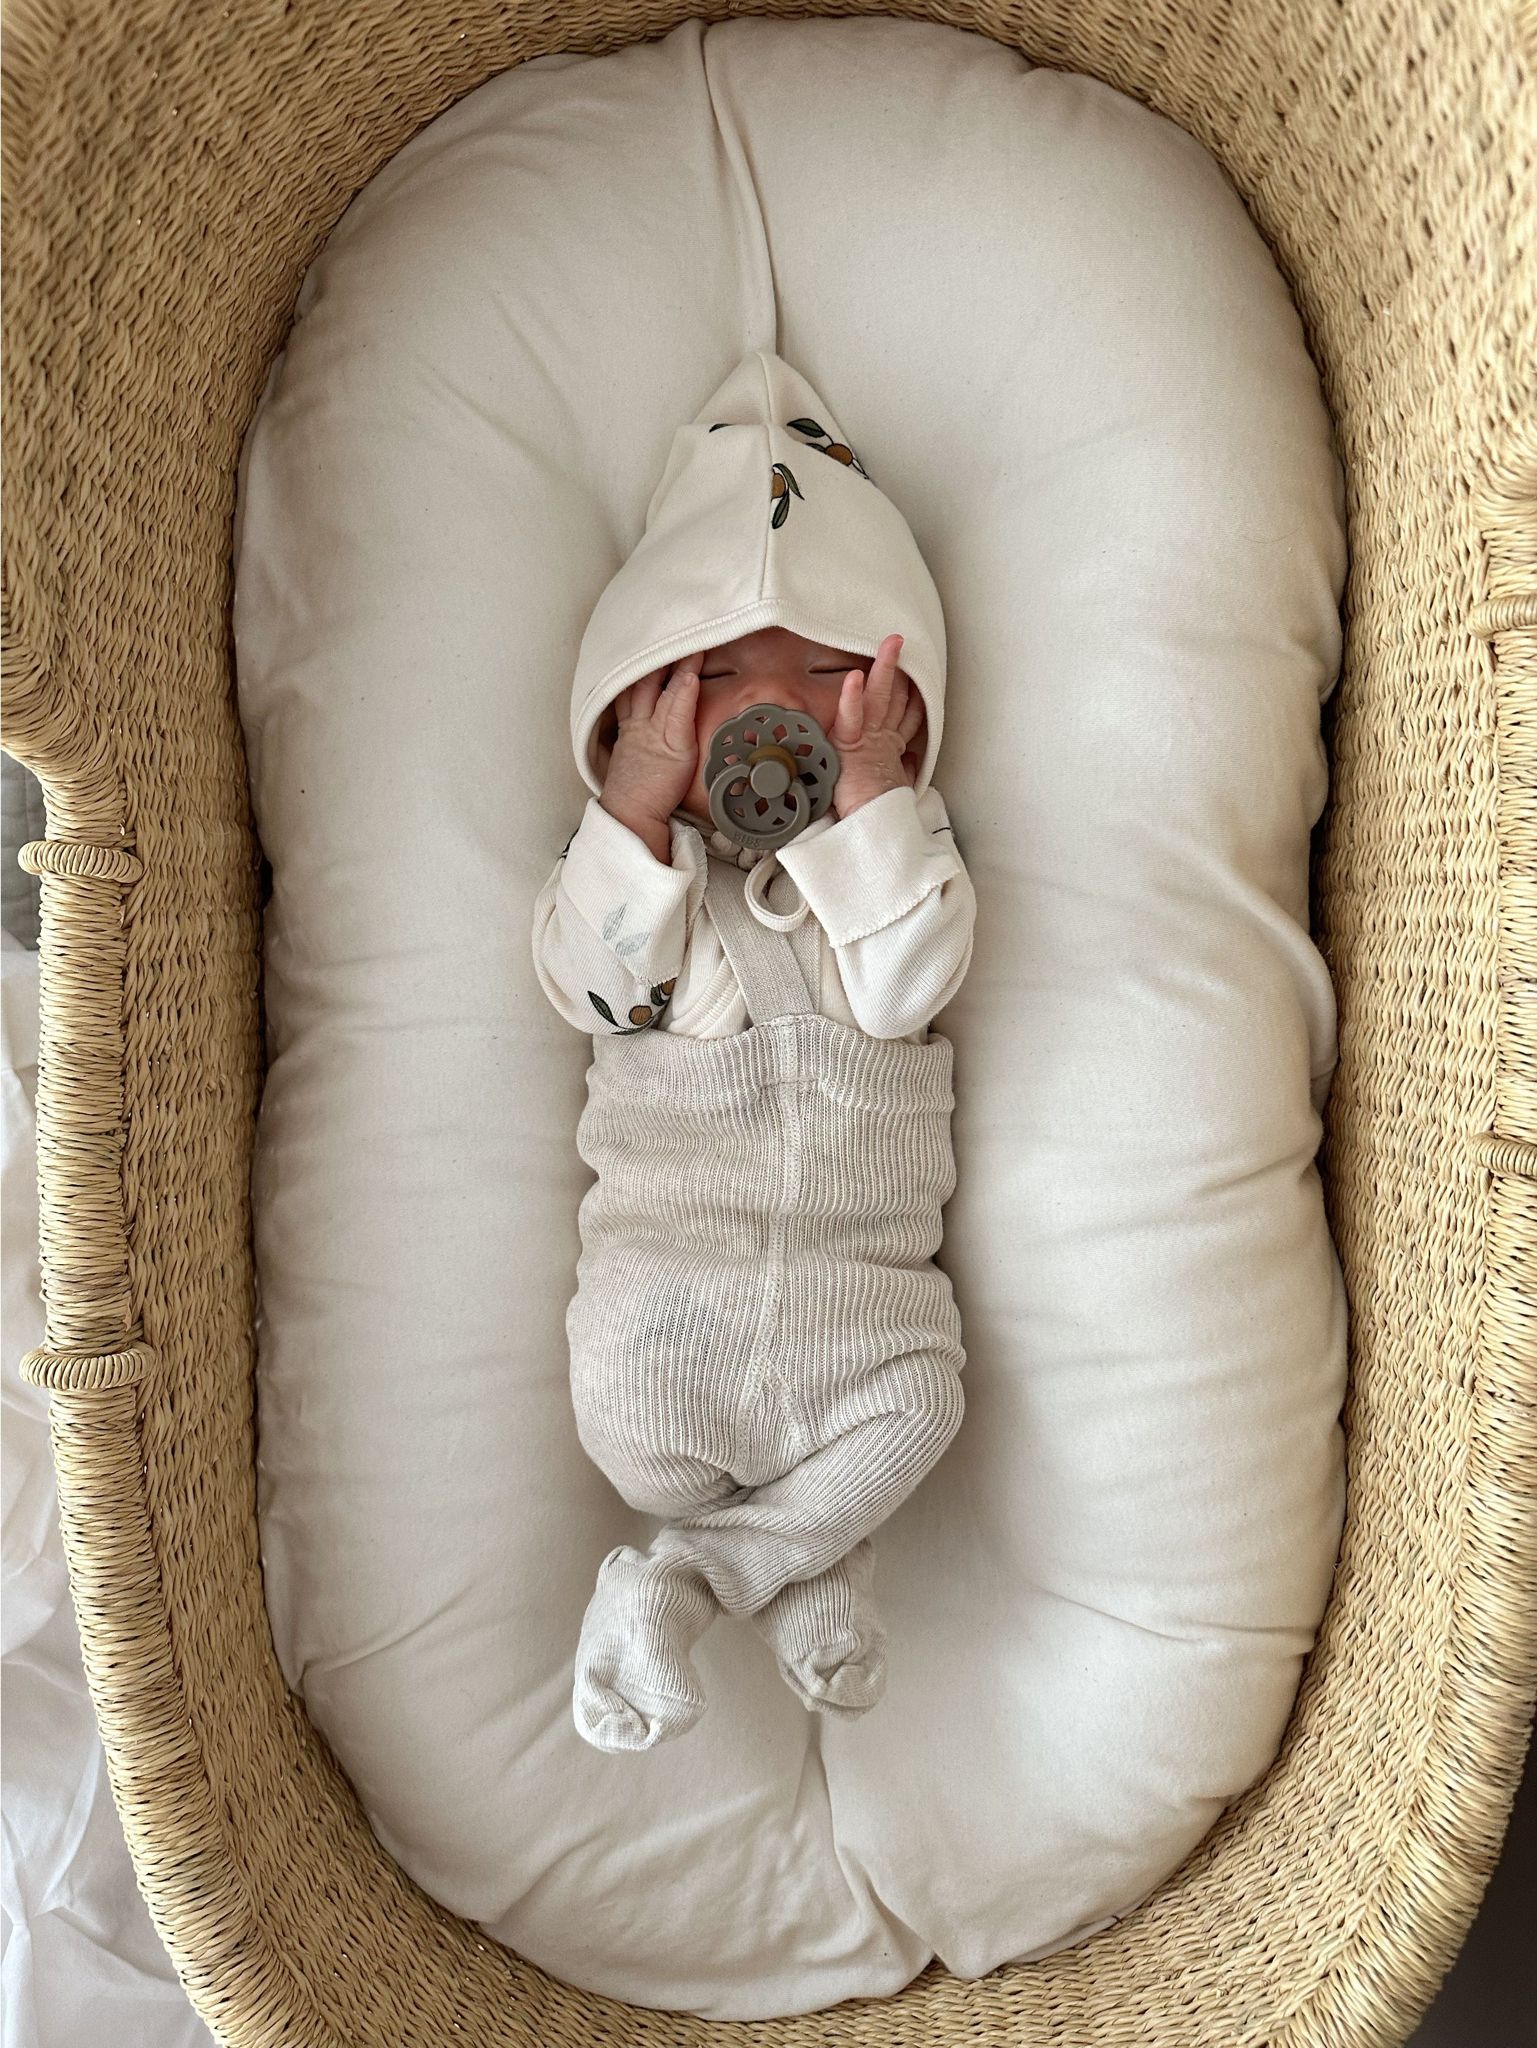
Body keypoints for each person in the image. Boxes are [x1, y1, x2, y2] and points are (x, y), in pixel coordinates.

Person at [530, 349, 976, 1752]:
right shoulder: (635, 877)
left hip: (861, 1298)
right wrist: (633, 812)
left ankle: (692, 1579)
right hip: (670, 1292)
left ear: (903, 711)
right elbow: (592, 993)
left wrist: (871, 807)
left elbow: (906, 989)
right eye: (716, 672)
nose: (775, 707)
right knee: (627, 1429)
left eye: (834, 674)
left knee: (925, 1409)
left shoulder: (902, 861)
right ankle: (804, 1564)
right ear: (631, 704)